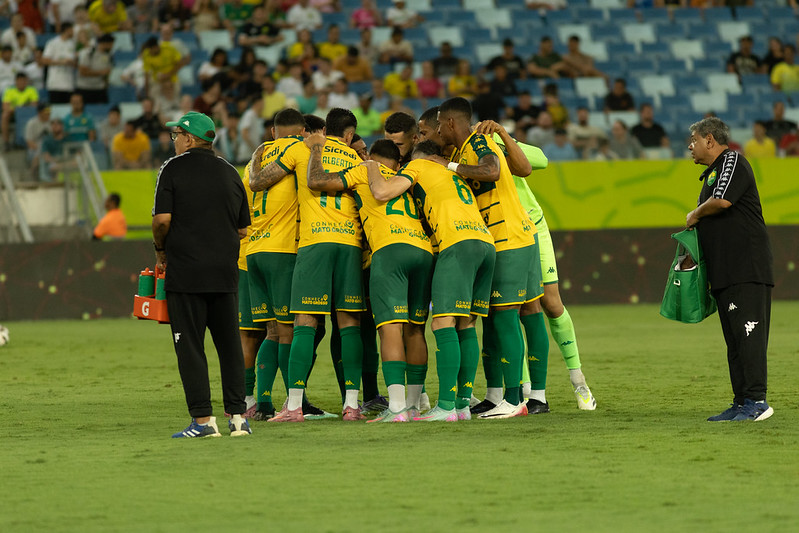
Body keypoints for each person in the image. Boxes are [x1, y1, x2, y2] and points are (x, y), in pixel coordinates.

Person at [304, 136, 435, 422]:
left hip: (389, 250)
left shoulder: (364, 169)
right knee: (415, 330)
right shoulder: (405, 179)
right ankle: (414, 406)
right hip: (423, 250)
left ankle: (397, 408)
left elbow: (317, 181)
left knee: (390, 329)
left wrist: (316, 148)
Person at [249, 108, 366, 422]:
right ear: (349, 134)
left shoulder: (301, 149)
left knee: (303, 323)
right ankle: (352, 406)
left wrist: (258, 154)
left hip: (314, 241)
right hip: (350, 243)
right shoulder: (356, 160)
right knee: (350, 326)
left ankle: (294, 406)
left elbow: (258, 182)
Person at [367, 139, 495, 421]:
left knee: (442, 322)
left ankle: (446, 407)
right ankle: (462, 405)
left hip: (457, 243)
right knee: (467, 323)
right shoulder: (454, 172)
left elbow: (383, 190)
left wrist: (372, 167)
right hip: (486, 244)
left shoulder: (419, 166)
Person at [439, 97, 541, 419]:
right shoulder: (461, 149)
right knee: (500, 318)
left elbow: (494, 170)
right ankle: (503, 397)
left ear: (452, 123)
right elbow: (522, 169)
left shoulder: (479, 140)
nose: (439, 129)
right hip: (506, 237)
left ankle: (515, 400)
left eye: (440, 123)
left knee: (505, 317)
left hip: (508, 235)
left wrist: (452, 168)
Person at [152, 111, 252, 438]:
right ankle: (239, 419)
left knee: (190, 347)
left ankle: (203, 421)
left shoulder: (172, 168)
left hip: (187, 273)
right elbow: (243, 228)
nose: (174, 140)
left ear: (190, 139)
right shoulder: (230, 171)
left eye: (176, 134)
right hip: (225, 273)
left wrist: (161, 250)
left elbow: (162, 220)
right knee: (229, 346)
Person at [685, 116, 774, 422]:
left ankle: (757, 402)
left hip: (746, 267)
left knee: (749, 337)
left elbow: (722, 201)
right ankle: (741, 402)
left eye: (694, 140)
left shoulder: (732, 160)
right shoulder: (710, 174)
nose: (690, 146)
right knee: (735, 341)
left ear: (710, 139)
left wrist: (695, 213)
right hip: (725, 271)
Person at [41, 23, 76, 104]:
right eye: (71, 30)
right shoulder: (52, 43)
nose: (73, 32)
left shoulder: (72, 44)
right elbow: (44, 60)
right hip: (55, 83)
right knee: (55, 109)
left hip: (68, 83)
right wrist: (62, 62)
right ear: (67, 30)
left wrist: (72, 62)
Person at [1, 72, 37, 149]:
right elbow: (5, 106)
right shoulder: (9, 90)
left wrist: (21, 108)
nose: (21, 82)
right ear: (16, 81)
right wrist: (18, 109)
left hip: (27, 113)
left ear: (26, 81)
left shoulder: (31, 90)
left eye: (23, 80)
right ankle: (6, 142)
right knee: (4, 115)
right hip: (13, 113)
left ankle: (31, 140)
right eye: (19, 80)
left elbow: (34, 105)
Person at [76, 32, 114, 104]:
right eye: (111, 45)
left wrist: (106, 80)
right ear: (105, 44)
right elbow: (82, 71)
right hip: (85, 88)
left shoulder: (108, 55)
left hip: (100, 88)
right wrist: (100, 72)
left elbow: (107, 72)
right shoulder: (88, 53)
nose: (112, 47)